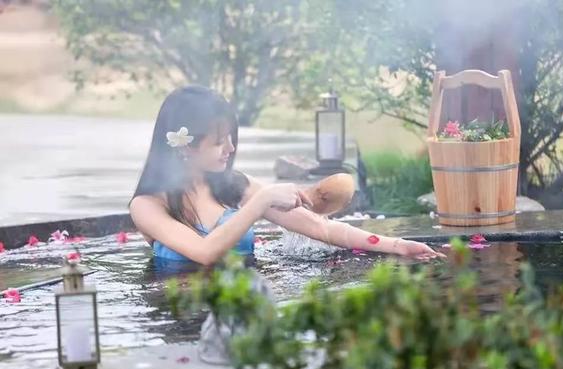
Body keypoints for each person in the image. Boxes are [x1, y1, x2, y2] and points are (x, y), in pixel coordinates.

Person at [129, 85, 445, 265]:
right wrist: (262, 200)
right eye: (218, 140)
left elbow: (322, 228)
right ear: (185, 147)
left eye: (232, 136)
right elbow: (204, 252)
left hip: (242, 304)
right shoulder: (148, 205)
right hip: (179, 315)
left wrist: (396, 245)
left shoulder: (232, 186)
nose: (230, 147)